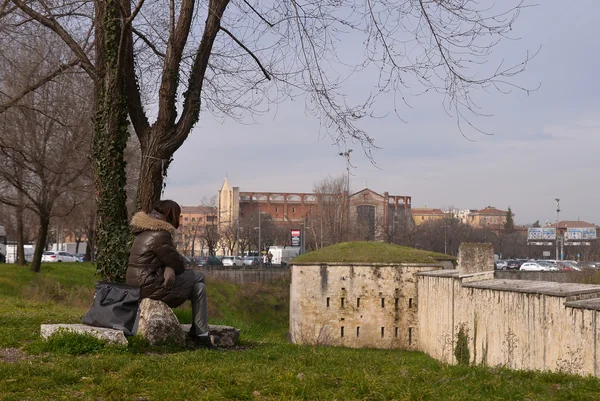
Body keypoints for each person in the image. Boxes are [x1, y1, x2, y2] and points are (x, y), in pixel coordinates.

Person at [126, 199, 217, 346]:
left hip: (140, 286)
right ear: (170, 215)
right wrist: (172, 267)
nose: (179, 219)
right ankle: (202, 337)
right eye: (178, 216)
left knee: (199, 288)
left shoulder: (144, 231)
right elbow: (178, 263)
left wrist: (170, 268)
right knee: (199, 276)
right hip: (150, 286)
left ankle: (201, 334)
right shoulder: (160, 234)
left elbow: (166, 261)